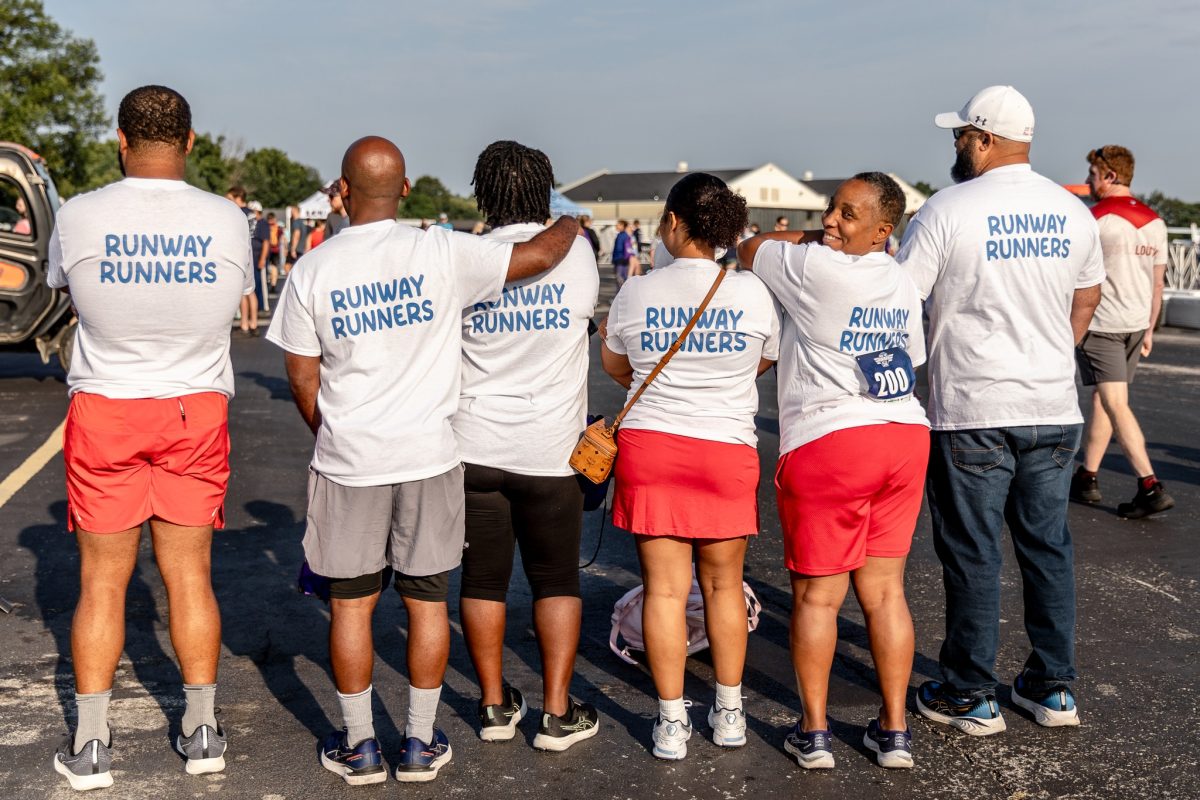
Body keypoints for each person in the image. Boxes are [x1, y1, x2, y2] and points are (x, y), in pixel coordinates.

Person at [267, 135, 579, 785]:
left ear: (341, 191)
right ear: (405, 189)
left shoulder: (313, 269)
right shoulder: (441, 250)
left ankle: (360, 747)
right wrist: (570, 221)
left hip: (350, 460)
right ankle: (418, 741)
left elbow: (302, 376)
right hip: (430, 457)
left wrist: (334, 432)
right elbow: (541, 254)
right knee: (427, 604)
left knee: (350, 607)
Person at [46, 84, 254, 791]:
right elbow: (232, 297)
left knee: (101, 583)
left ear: (120, 139)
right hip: (194, 408)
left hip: (107, 406)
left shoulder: (79, 214)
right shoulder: (227, 218)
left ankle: (92, 744)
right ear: (189, 141)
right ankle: (202, 731)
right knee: (189, 575)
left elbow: (65, 290)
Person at [895, 85, 1104, 735]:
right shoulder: (1072, 212)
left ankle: (970, 692)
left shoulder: (946, 210)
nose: (957, 144)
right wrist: (1053, 351)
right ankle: (1053, 687)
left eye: (961, 135)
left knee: (973, 551)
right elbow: (1088, 296)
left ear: (984, 139)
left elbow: (898, 301)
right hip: (1053, 404)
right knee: (1047, 547)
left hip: (973, 407)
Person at [737, 173, 929, 770]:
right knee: (886, 592)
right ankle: (894, 731)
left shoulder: (814, 267)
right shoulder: (900, 279)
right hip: (903, 436)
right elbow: (911, 358)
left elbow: (748, 247)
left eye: (848, 214)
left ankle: (815, 731)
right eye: (831, 208)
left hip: (832, 440)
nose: (829, 221)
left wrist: (799, 240)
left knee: (818, 598)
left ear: (882, 230)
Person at [602, 173, 780, 760]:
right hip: (725, 449)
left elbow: (616, 365)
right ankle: (729, 713)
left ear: (674, 222)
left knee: (665, 590)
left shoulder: (636, 291)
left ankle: (672, 721)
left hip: (653, 448)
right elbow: (761, 361)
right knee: (724, 586)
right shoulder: (752, 293)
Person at [455, 140, 601, 750]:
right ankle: (557, 713)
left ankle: (493, 706)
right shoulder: (578, 252)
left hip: (474, 444)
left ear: (482, 194)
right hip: (551, 449)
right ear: (545, 192)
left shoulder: (465, 257)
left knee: (482, 580)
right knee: (557, 579)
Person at [1071, 145, 1175, 519]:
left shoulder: (1094, 219)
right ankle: (1087, 476)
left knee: (1114, 402)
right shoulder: (1155, 222)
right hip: (1135, 324)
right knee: (1106, 397)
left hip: (1103, 325)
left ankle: (1149, 485)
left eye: (1093, 175)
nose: (1088, 182)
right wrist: (1149, 330)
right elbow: (1157, 284)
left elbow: (1072, 276)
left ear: (1110, 176)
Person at [611, 219, 632, 289]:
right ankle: (624, 294)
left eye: (618, 224)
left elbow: (618, 248)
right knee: (624, 277)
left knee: (619, 278)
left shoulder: (621, 236)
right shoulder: (626, 235)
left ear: (623, 225)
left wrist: (614, 259)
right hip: (625, 259)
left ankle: (621, 294)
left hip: (619, 259)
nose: (616, 226)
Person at [286, 205, 306, 274]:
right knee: (297, 268)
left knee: (287, 267)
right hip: (301, 249)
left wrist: (293, 249)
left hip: (295, 249)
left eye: (292, 211)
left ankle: (291, 280)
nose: (291, 213)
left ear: (295, 211)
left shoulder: (296, 222)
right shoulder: (302, 222)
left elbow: (296, 235)